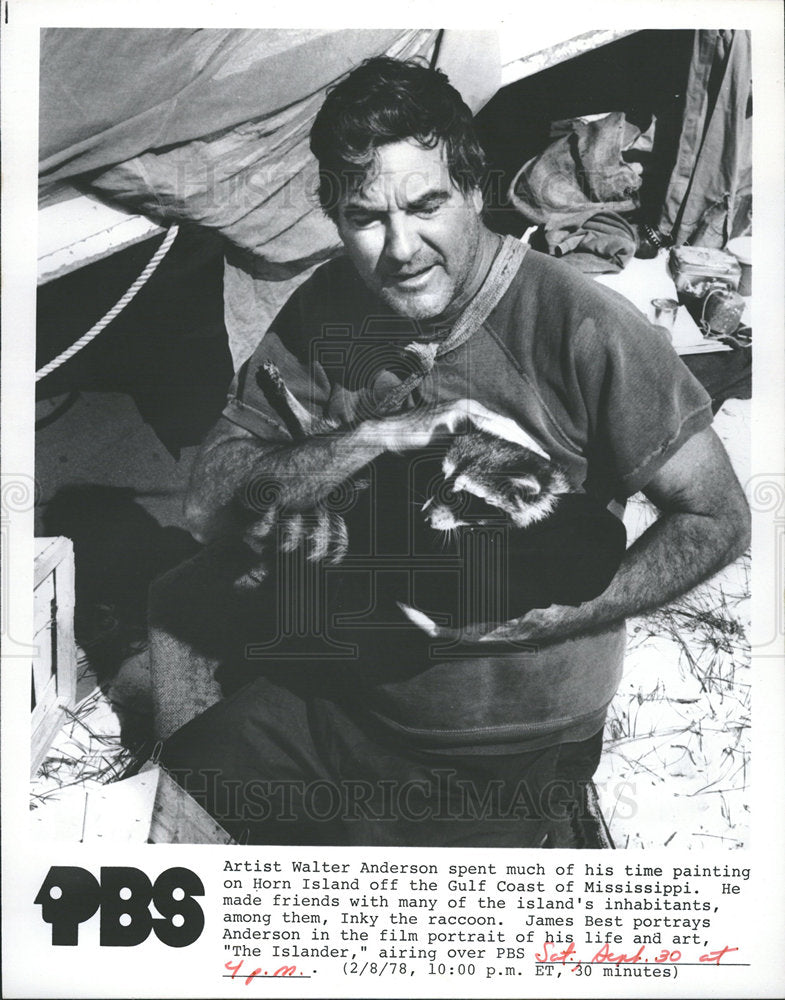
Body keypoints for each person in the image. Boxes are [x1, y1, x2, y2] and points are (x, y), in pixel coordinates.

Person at [152, 56, 750, 847]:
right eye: (366, 217)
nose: (400, 248)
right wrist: (369, 437)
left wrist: (535, 622)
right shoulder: (329, 308)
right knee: (180, 775)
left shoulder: (582, 324)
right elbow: (209, 501)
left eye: (426, 204)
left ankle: (556, 829)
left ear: (472, 191)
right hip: (349, 703)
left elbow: (716, 518)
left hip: (500, 749)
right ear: (334, 216)